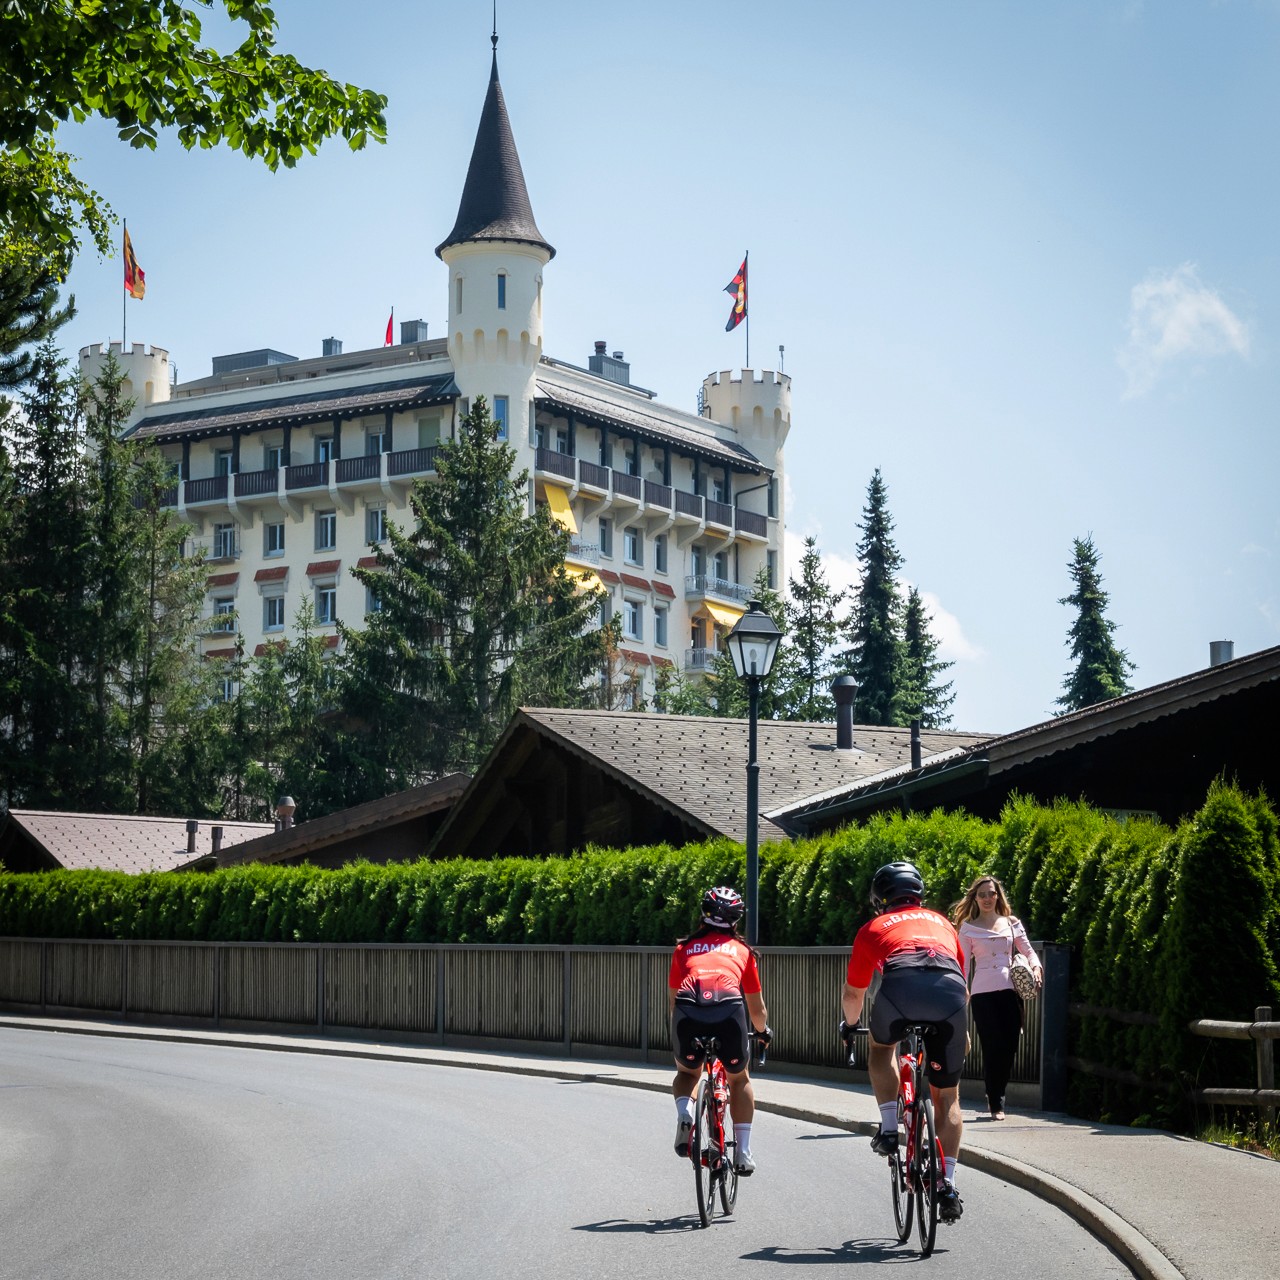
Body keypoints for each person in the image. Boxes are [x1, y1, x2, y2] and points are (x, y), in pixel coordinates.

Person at [840, 861, 968, 1224]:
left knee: (882, 1050)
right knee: (949, 1096)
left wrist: (850, 1026)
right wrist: (964, 1030)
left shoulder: (873, 927)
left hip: (900, 990)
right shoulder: (943, 922)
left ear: (880, 899)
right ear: (919, 895)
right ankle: (948, 1185)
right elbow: (962, 980)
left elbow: (854, 993)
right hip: (950, 996)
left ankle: (888, 1127)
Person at [669, 885, 770, 1175]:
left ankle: (685, 1114)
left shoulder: (683, 949)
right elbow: (756, 1009)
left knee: (687, 1073)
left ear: (703, 914)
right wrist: (762, 1032)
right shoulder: (742, 951)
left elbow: (673, 1002)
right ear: (736, 921)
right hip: (728, 1010)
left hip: (688, 1010)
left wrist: (678, 1036)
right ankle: (743, 1152)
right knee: (739, 1080)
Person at [952, 874, 1043, 1120]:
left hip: (1010, 991)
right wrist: (963, 990)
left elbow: (1029, 951)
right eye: (981, 894)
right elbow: (964, 966)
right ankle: (996, 1102)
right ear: (975, 898)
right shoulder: (968, 928)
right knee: (992, 1047)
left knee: (1010, 1045)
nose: (987, 898)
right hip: (983, 993)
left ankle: (995, 1091)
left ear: (997, 895)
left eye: (991, 893)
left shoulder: (1011, 923)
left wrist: (1036, 967)